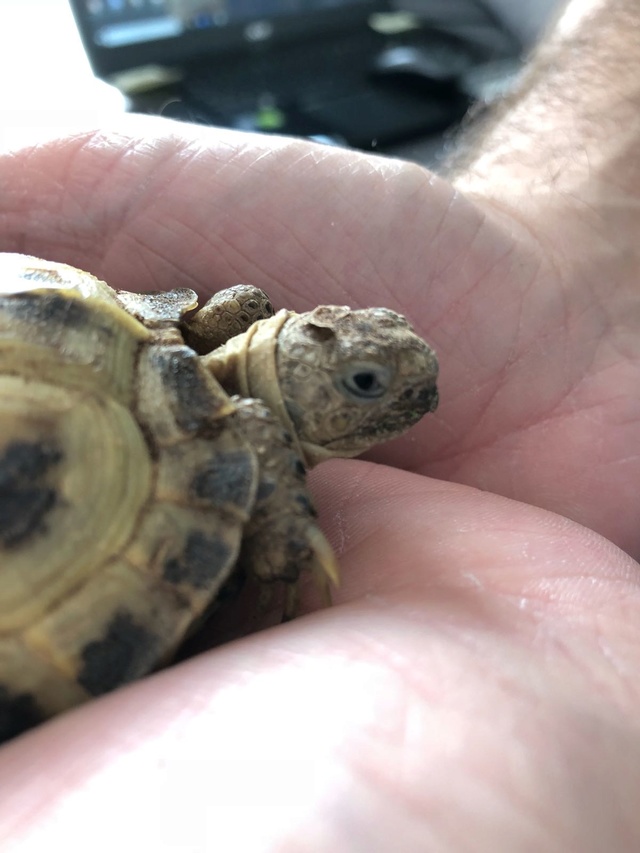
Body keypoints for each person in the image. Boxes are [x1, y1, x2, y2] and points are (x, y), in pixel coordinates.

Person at [1, 0, 639, 847]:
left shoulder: (177, 332)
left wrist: (555, 269)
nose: (413, 388)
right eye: (366, 383)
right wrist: (285, 534)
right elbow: (248, 426)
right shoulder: (246, 417)